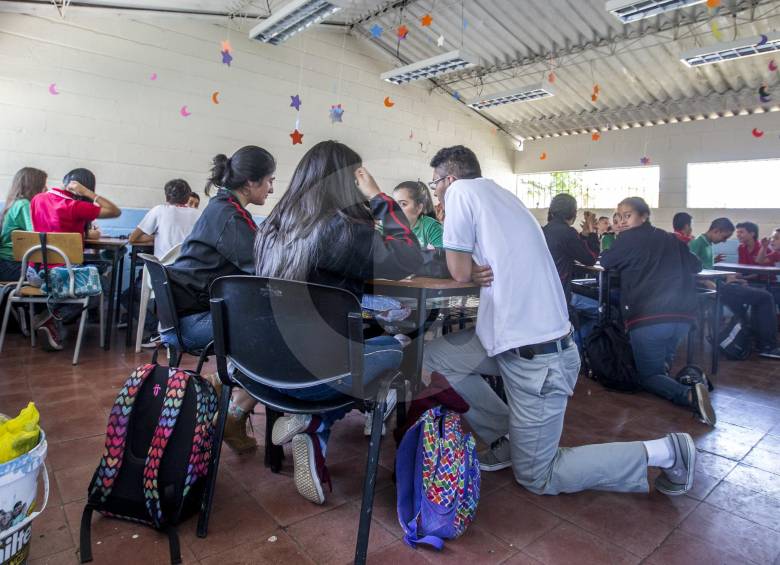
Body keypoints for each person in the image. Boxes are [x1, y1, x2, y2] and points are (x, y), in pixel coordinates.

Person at [423, 145, 698, 500]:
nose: (435, 193)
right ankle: (506, 436)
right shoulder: (503, 196)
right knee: (435, 354)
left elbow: (459, 272)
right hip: (518, 345)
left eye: (435, 185)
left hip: (538, 361)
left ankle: (666, 452)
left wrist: (467, 268)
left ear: (450, 178)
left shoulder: (461, 191)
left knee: (538, 476)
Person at [254, 141, 423, 505]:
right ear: (349, 182)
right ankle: (314, 419)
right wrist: (379, 196)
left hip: (261, 368)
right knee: (399, 346)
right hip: (312, 376)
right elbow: (408, 257)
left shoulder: (270, 226)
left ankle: (313, 426)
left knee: (345, 346)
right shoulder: (340, 229)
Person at [164, 146, 276, 452]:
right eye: (269, 180)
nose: (271, 188)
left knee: (276, 329)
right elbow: (265, 268)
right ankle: (233, 406)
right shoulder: (228, 216)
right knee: (282, 338)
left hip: (187, 312)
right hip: (192, 322)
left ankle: (224, 388)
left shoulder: (224, 209)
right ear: (251, 182)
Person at [600, 197, 714, 424]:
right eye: (619, 216)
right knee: (661, 362)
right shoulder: (670, 238)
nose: (622, 220)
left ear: (644, 216)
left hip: (648, 316)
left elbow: (606, 261)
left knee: (648, 376)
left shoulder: (628, 239)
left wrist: (615, 238)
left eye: (628, 215)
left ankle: (689, 395)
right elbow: (696, 265)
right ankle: (685, 380)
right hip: (682, 316)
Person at [29, 168, 121, 350]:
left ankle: (51, 321)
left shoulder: (37, 199)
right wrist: (87, 193)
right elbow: (115, 211)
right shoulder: (75, 206)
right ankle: (52, 315)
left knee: (85, 273)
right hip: (60, 275)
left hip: (34, 273)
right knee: (101, 287)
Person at [689, 218, 780, 360]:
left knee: (756, 298)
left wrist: (729, 277)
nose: (725, 241)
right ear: (716, 231)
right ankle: (768, 346)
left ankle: (755, 340)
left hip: (719, 284)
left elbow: (706, 270)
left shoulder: (706, 243)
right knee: (765, 297)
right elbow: (688, 270)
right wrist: (712, 286)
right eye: (725, 237)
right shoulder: (697, 243)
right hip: (714, 288)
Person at [542, 194, 599, 346]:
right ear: (573, 213)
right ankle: (574, 346)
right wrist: (593, 232)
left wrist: (584, 235)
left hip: (545, 294)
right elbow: (590, 258)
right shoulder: (567, 232)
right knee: (604, 312)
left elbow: (569, 248)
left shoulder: (543, 231)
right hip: (562, 295)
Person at [129, 179, 200, 258]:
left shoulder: (159, 210)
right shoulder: (199, 214)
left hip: (164, 268)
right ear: (187, 198)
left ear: (166, 197)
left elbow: (133, 238)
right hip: (189, 266)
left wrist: (157, 236)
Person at [0, 167, 48, 281]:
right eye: (44, 185)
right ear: (33, 186)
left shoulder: (15, 202)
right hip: (12, 265)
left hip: (7, 264)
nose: (47, 189)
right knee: (62, 274)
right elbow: (37, 234)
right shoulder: (24, 204)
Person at [392, 181, 442, 248]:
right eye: (394, 204)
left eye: (403, 204)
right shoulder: (388, 227)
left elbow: (443, 257)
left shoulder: (433, 228)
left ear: (418, 208)